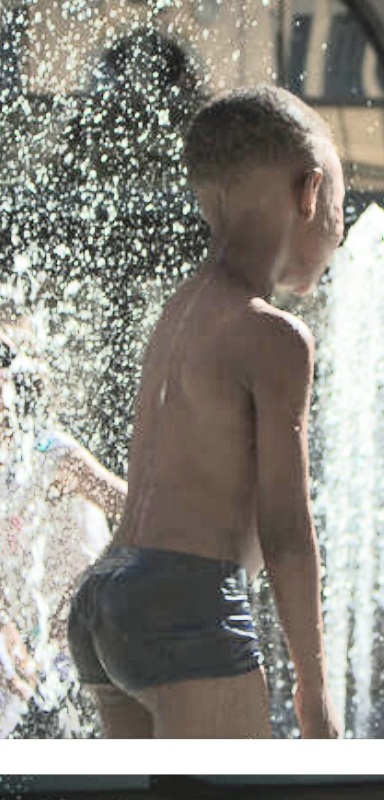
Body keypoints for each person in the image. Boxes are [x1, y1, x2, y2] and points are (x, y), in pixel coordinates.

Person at [68, 85, 345, 739]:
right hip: (184, 603)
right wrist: (314, 689)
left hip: (106, 598)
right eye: (338, 205)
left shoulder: (180, 312)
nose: (339, 226)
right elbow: (284, 526)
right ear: (308, 193)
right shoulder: (274, 337)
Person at [0, 327, 127, 736]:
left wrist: (88, 586)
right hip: (38, 652)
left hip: (94, 632)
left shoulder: (49, 455)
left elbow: (137, 509)